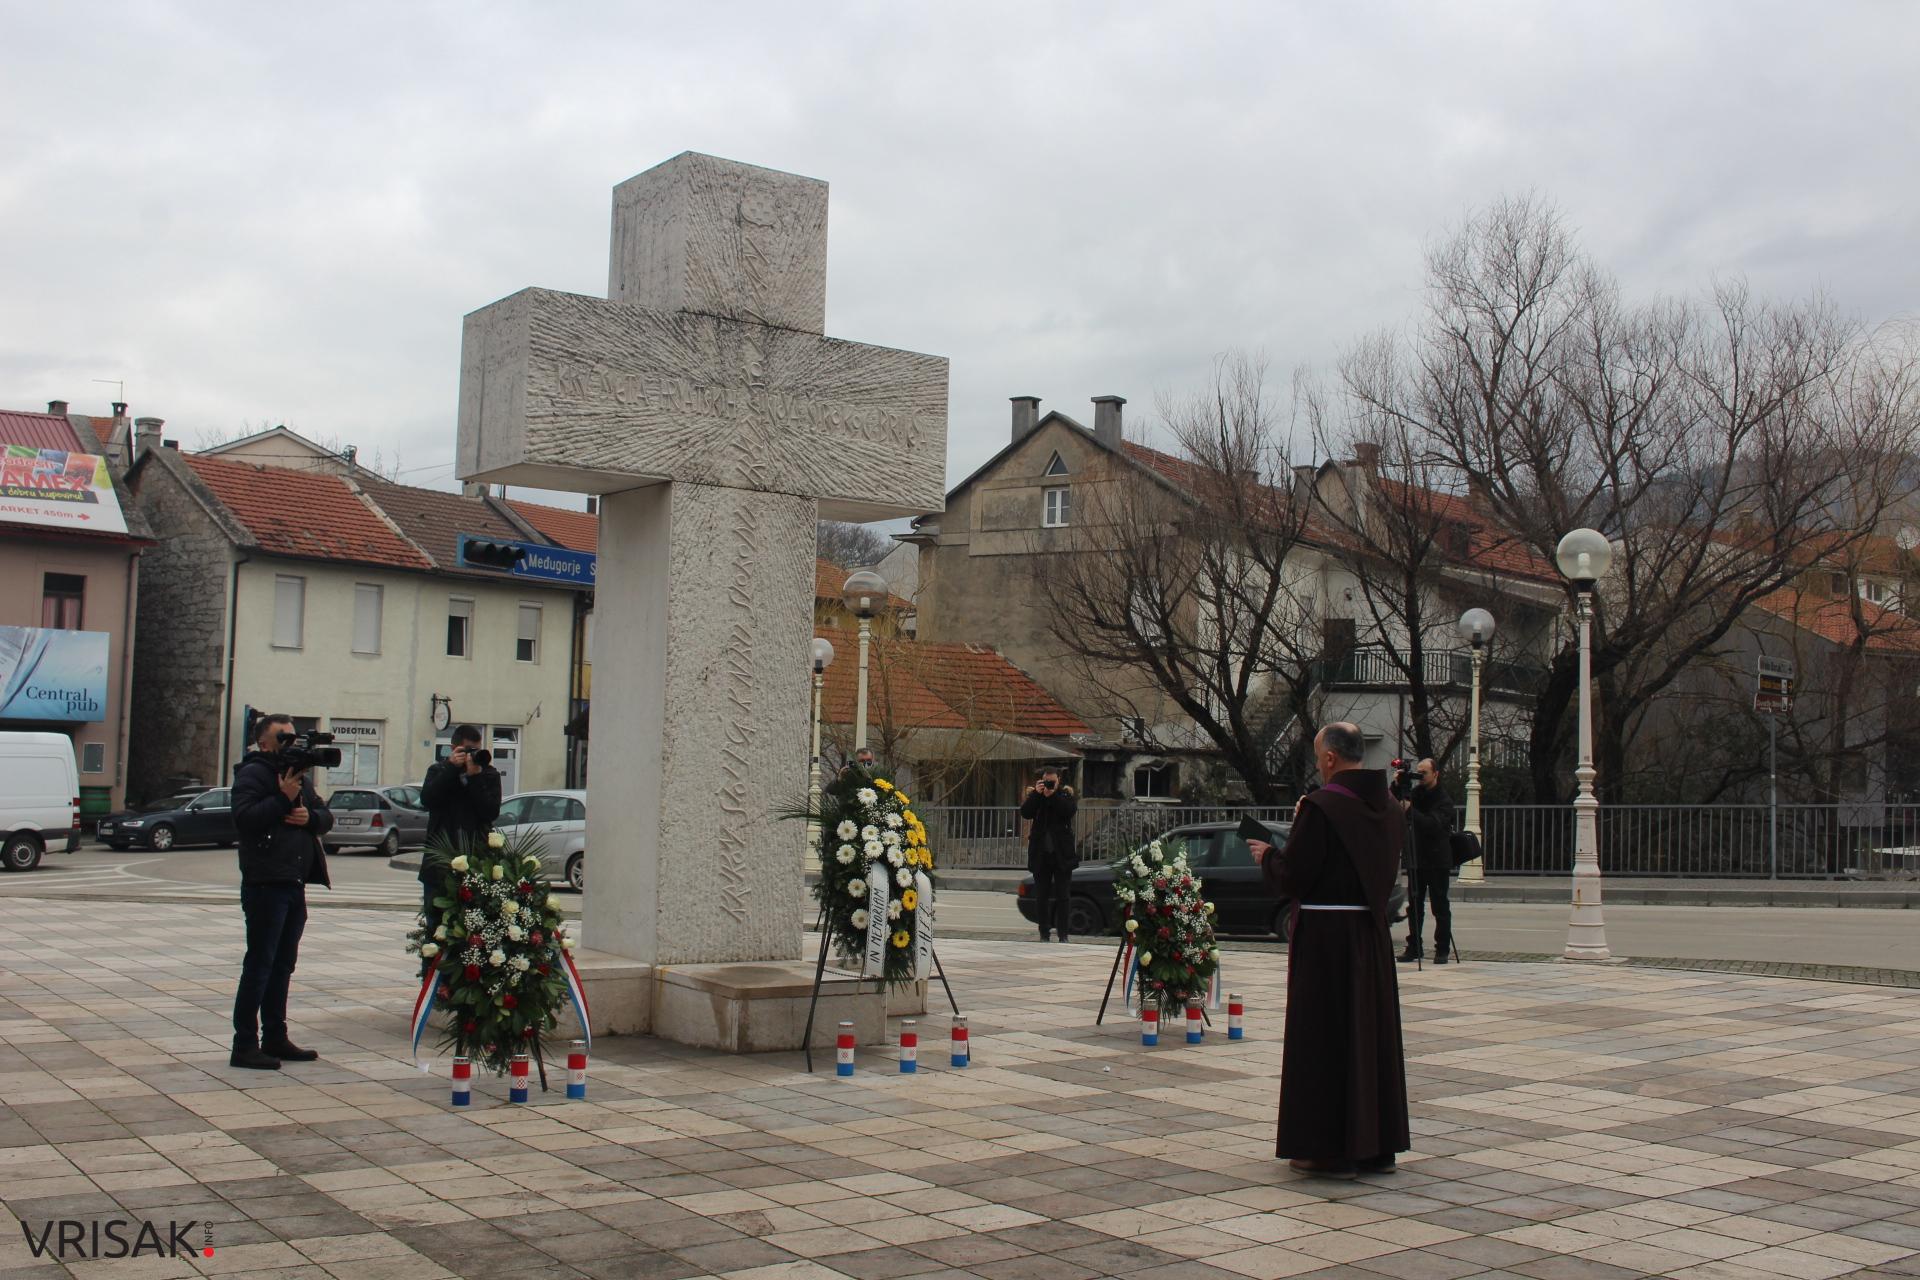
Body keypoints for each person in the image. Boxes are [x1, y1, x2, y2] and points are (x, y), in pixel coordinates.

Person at [1249, 722, 1409, 1177]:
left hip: (1326, 940)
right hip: (1370, 937)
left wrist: (1268, 857)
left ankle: (1326, 1149)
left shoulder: (1322, 807)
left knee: (1324, 1041)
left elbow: (1296, 876)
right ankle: (1377, 1146)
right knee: (1367, 1040)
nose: (1319, 762)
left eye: (1320, 754)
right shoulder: (1393, 808)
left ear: (1332, 758)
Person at [229, 713, 333, 1070]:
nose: (291, 742)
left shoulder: (297, 775)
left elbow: (324, 813)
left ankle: (275, 1035)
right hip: (264, 884)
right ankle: (244, 1044)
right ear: (264, 742)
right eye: (283, 737)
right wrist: (281, 798)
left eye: (293, 736)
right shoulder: (253, 773)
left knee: (283, 965)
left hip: (293, 882)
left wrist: (311, 819)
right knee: (260, 964)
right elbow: (244, 818)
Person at [418, 725, 502, 934]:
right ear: (454, 748)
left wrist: (475, 778)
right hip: (439, 864)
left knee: (475, 928)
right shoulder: (439, 770)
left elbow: (490, 812)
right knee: (435, 927)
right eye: (467, 750)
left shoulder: (488, 775)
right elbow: (428, 799)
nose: (472, 755)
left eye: (476, 749)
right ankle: (432, 967)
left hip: (477, 861)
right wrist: (451, 768)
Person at [1400, 757, 1457, 964]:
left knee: (1439, 906)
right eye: (1418, 772)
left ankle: (1442, 949)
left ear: (1435, 774)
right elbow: (1392, 799)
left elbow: (1432, 824)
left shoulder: (1443, 799)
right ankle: (1414, 946)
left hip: (1437, 860)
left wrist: (1410, 810)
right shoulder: (1415, 794)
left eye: (1424, 772)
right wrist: (1399, 783)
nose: (1420, 776)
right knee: (1414, 905)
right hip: (1417, 858)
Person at [1019, 766, 1078, 942]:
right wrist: (1037, 795)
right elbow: (1025, 813)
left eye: (1052, 781)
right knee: (1041, 896)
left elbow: (1068, 811)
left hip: (1061, 854)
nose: (1049, 784)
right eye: (1046, 781)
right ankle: (1044, 933)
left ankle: (1063, 934)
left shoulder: (1065, 796)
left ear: (1059, 780)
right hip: (1041, 854)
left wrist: (1052, 795)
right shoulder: (1036, 796)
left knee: (1063, 896)